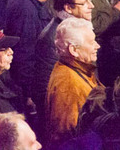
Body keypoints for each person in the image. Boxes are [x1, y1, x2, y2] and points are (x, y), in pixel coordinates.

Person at [45, 18, 102, 147]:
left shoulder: (70, 69)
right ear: (74, 50)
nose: (97, 46)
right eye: (91, 42)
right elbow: (67, 135)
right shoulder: (69, 84)